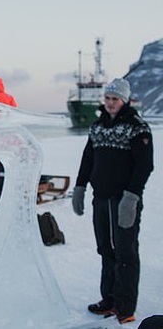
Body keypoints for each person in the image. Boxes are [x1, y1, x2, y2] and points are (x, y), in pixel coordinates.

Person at [72, 78, 154, 325]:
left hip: (124, 200)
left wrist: (131, 197)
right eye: (107, 98)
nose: (109, 103)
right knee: (105, 250)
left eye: (114, 99)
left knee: (125, 253)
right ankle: (108, 300)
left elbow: (144, 165)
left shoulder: (137, 127)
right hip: (101, 198)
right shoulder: (97, 126)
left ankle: (125, 306)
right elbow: (88, 158)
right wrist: (79, 187)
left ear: (124, 100)